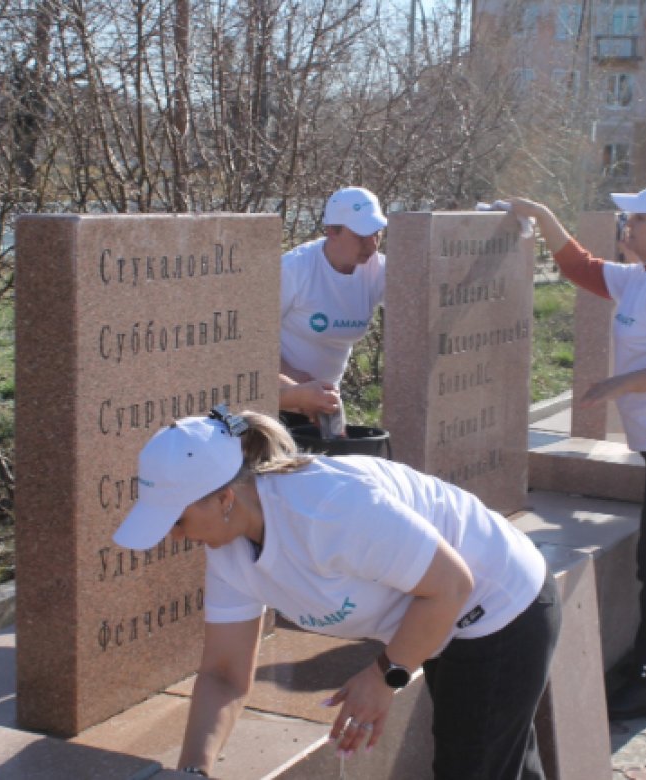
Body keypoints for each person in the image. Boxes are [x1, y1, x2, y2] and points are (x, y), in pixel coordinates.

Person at [113, 407, 560, 779]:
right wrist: (194, 771)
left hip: (500, 606)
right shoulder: (227, 551)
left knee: (473, 766)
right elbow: (223, 675)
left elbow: (451, 585)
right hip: (441, 617)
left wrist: (386, 674)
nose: (173, 537)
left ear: (226, 498)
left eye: (177, 520)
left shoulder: (327, 507)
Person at [507, 181, 646, 721]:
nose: (627, 226)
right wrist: (544, 213)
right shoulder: (641, 277)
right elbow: (581, 268)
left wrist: (618, 386)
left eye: (638, 220)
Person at [278, 187, 387, 429]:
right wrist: (295, 384)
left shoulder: (377, 270)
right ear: (332, 231)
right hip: (278, 399)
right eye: (361, 236)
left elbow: (420, 299)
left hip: (326, 401)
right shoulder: (295, 269)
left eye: (377, 233)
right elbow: (250, 343)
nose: (372, 245)